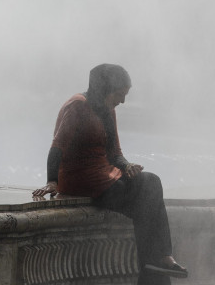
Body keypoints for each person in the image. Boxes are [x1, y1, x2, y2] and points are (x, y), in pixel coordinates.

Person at [32, 64, 188, 284]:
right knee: (143, 202)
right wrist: (51, 181)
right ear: (105, 88)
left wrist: (127, 166)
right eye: (120, 95)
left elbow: (115, 153)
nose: (122, 101)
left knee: (151, 182)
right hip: (81, 178)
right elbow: (57, 146)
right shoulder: (77, 106)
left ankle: (159, 259)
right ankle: (152, 267)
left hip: (106, 175)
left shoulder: (108, 110)